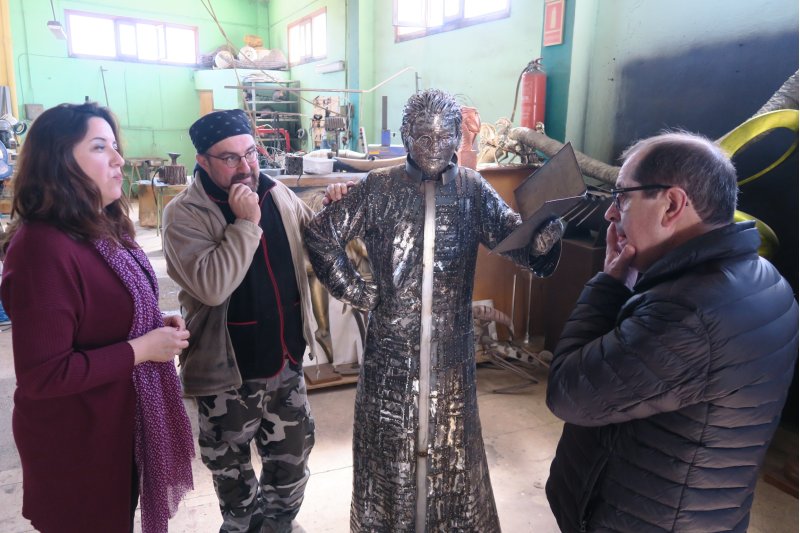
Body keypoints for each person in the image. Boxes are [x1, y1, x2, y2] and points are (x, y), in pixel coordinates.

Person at [304, 88, 564, 531]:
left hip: (451, 351)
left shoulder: (472, 189)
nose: (433, 147)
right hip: (391, 350)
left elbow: (511, 238)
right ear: (407, 135)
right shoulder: (380, 188)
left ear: (455, 138)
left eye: (444, 138)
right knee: (391, 451)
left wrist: (540, 241)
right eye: (423, 136)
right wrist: (361, 293)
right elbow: (322, 235)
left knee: (450, 453)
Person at [545, 131, 798, 532]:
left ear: (672, 204)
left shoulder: (689, 314)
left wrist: (608, 285)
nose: (611, 214)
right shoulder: (763, 278)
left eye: (622, 197)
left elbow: (570, 393)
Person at [0, 102, 194, 533]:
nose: (119, 159)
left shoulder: (101, 226)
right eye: (99, 146)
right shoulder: (42, 249)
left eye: (114, 146)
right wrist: (141, 349)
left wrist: (150, 321)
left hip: (117, 427)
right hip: (76, 444)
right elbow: (44, 375)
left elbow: (101, 309)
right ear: (60, 161)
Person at [161, 109, 317, 533]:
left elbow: (313, 237)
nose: (246, 167)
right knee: (229, 464)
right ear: (203, 160)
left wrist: (334, 206)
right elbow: (212, 286)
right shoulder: (184, 214)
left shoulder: (276, 191)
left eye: (250, 153)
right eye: (229, 158)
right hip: (229, 371)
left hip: (286, 358)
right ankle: (243, 525)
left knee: (293, 454)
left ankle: (281, 523)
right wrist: (246, 224)